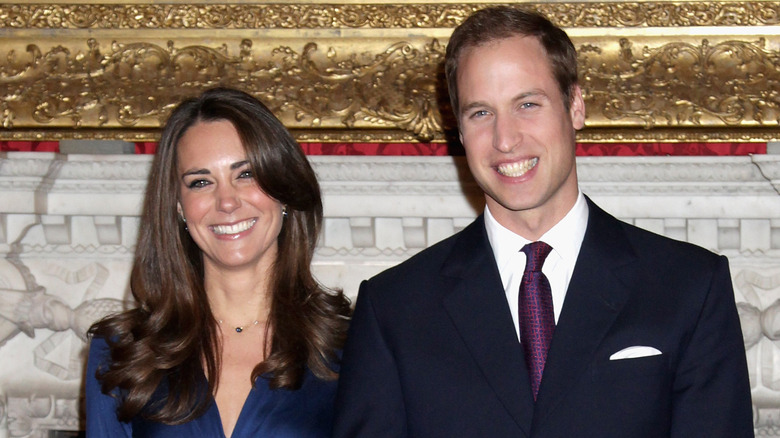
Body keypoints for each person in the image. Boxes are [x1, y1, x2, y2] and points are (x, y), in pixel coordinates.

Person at [333, 6, 753, 437]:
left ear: (575, 108)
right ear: (458, 130)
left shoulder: (689, 287)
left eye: (527, 104)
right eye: (481, 113)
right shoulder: (393, 309)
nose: (505, 139)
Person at [86, 87, 351, 437]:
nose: (226, 201)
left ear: (282, 190)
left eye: (246, 174)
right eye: (200, 182)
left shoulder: (351, 345)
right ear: (178, 206)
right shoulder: (122, 350)